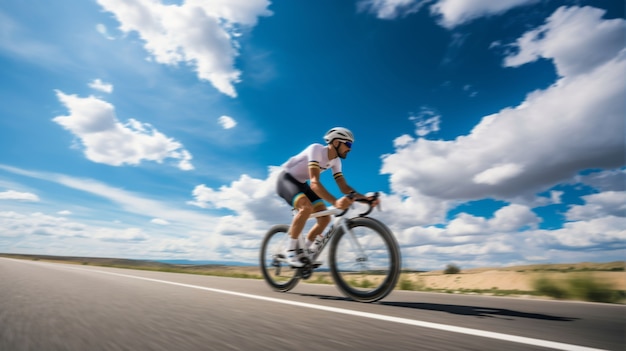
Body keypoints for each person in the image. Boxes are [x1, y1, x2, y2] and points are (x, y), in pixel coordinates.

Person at [276, 127, 378, 267]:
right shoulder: (316, 149)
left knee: (325, 218)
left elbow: (344, 188)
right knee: (306, 208)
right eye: (348, 144)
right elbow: (314, 183)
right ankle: (291, 250)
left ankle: (305, 252)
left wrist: (366, 199)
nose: (350, 149)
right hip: (286, 179)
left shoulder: (336, 161)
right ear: (336, 142)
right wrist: (335, 202)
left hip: (301, 184)